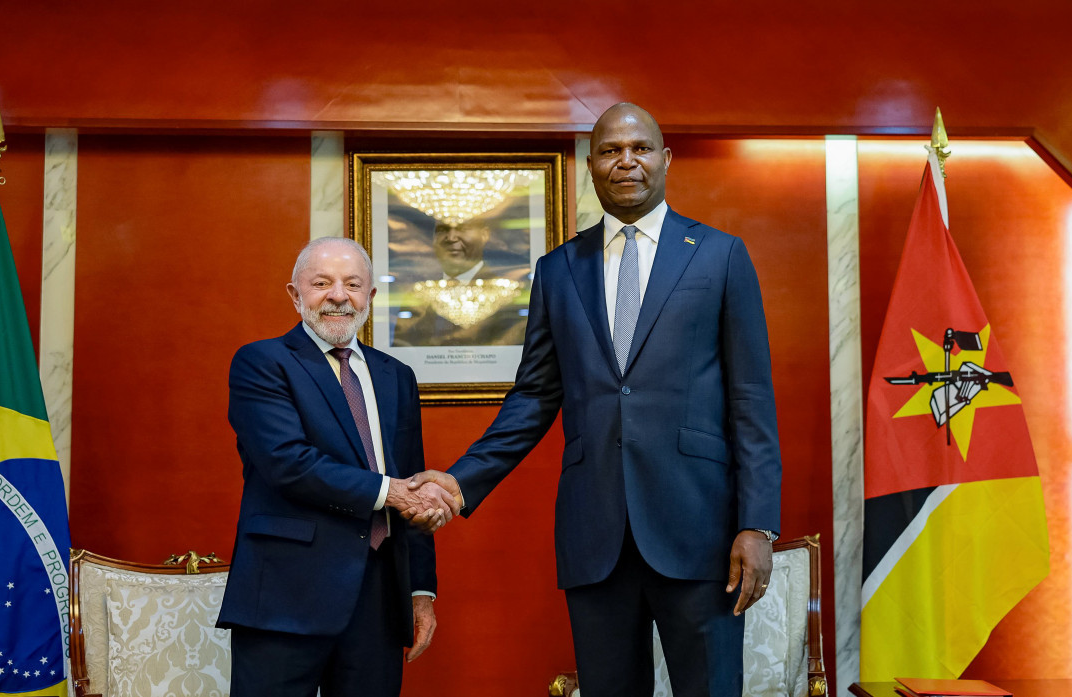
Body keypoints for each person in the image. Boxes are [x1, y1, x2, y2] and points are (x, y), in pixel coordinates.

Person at [410, 103, 783, 697]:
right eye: (611, 151)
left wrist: (758, 524)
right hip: (595, 534)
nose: (626, 161)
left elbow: (751, 399)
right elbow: (534, 395)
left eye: (640, 148)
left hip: (700, 529)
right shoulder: (558, 269)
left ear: (665, 159)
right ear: (591, 166)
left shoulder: (719, 255)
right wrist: (460, 483)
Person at [217, 237, 459, 697]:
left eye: (352, 284)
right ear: (295, 294)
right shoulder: (262, 363)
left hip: (379, 598)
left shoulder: (397, 376)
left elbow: (412, 477)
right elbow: (288, 463)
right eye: (322, 283)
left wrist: (420, 591)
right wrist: (392, 492)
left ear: (370, 297)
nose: (338, 295)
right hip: (286, 592)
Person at [391, 218, 529, 347]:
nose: (451, 238)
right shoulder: (416, 296)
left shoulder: (512, 297)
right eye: (443, 229)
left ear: (484, 235)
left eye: (463, 228)